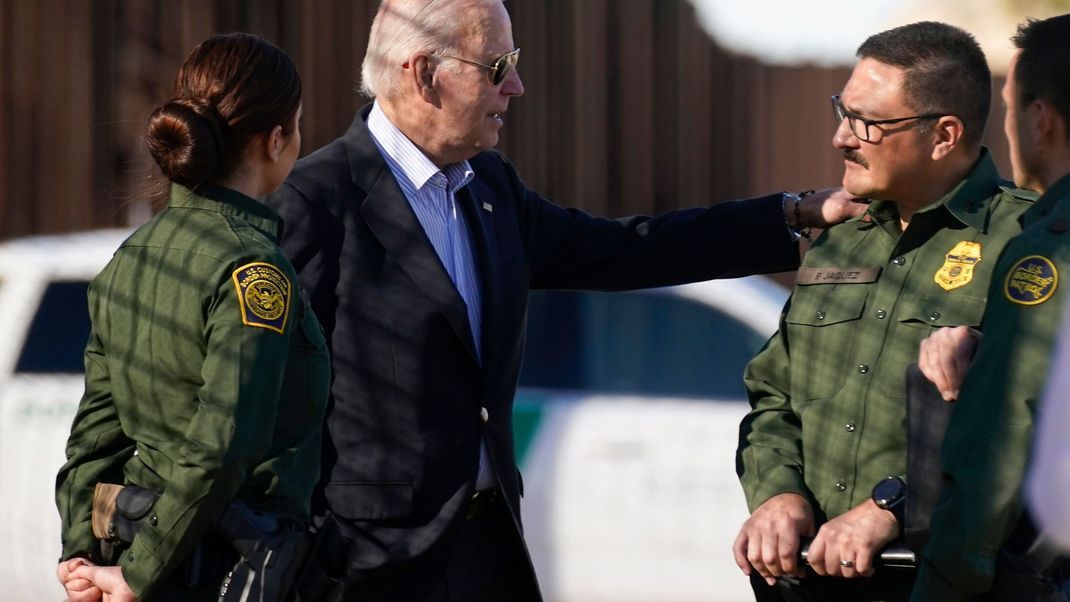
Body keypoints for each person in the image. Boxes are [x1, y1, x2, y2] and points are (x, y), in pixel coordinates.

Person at [263, 0, 862, 599]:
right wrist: (318, 556)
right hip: (367, 567)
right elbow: (267, 406)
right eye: (498, 66)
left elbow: (626, 250)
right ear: (424, 75)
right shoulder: (315, 204)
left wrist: (787, 215)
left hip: (487, 550)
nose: (517, 86)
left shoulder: (489, 187)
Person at [733, 21, 1036, 602]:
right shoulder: (843, 237)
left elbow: (1041, 423)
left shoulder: (1028, 244)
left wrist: (892, 508)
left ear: (944, 135)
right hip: (812, 585)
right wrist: (778, 496)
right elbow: (775, 394)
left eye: (866, 122)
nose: (841, 138)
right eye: (840, 111)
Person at [54, 33, 329, 601]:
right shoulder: (255, 270)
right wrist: (137, 573)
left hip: (138, 556)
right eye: (298, 124)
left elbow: (95, 436)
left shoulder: (130, 256)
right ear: (275, 139)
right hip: (224, 570)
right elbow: (223, 444)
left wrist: (81, 555)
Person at [911, 14, 1070, 600]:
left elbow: (1000, 438)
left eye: (1007, 105)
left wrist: (948, 576)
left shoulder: (1050, 247)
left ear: (1040, 119)